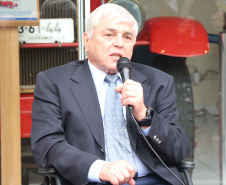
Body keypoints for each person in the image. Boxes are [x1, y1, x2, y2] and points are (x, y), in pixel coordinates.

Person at [31, 3, 190, 185]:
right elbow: (47, 145)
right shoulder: (54, 82)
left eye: (127, 37)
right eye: (109, 35)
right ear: (87, 40)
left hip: (150, 179)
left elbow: (179, 150)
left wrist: (144, 115)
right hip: (92, 180)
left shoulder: (159, 82)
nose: (119, 43)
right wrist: (100, 169)